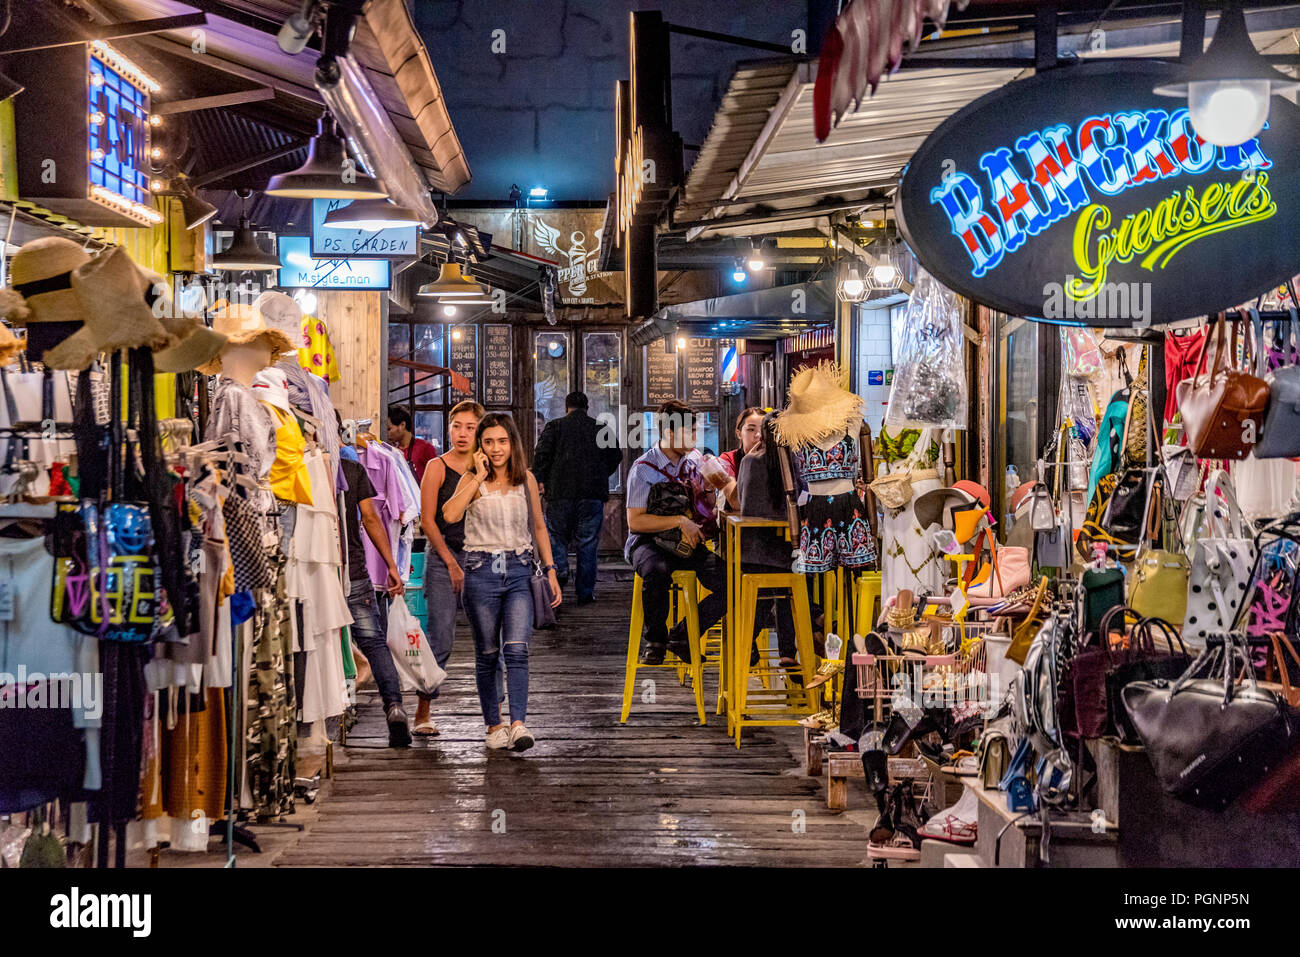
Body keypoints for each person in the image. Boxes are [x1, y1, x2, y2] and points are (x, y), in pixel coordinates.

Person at [443, 412, 562, 752]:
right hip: (480, 573)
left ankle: (519, 725)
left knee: (517, 649)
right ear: (481, 446)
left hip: (519, 570)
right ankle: (493, 724)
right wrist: (477, 476)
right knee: (487, 652)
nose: (496, 449)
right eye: (489, 442)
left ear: (513, 444)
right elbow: (449, 515)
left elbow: (539, 527)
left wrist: (551, 569)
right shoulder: (472, 480)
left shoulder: (524, 479)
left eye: (503, 441)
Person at [416, 399, 500, 736]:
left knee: (491, 639)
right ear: (448, 428)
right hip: (444, 555)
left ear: (479, 431)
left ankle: (495, 718)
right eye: (457, 426)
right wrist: (450, 562)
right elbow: (427, 521)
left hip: (482, 557)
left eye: (470, 427)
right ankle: (423, 710)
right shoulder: (437, 466)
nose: (462, 434)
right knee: (440, 638)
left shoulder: (489, 468)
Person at [625, 398, 728, 665]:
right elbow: (635, 522)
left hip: (687, 542)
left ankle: (681, 635)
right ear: (669, 433)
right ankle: (655, 640)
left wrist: (713, 487)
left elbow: (706, 504)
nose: (696, 437)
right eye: (690, 431)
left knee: (730, 583)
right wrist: (679, 521)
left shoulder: (694, 460)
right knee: (657, 570)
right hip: (648, 542)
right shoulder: (643, 469)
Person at [339, 453, 411, 747]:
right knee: (373, 641)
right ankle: (394, 706)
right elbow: (370, 518)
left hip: (318, 571)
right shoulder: (351, 469)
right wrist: (391, 565)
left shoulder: (297, 467)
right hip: (354, 570)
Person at [531, 391, 623, 605]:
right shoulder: (601, 428)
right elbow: (616, 456)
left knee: (557, 538)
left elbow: (541, 455)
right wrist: (601, 474)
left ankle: (560, 576)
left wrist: (541, 479)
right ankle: (585, 592)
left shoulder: (554, 427)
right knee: (588, 544)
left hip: (559, 493)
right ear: (587, 407)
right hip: (591, 495)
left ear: (567, 407)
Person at [736, 413, 804, 670]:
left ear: (763, 434)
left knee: (765, 588)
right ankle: (789, 649)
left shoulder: (752, 461)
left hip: (754, 553)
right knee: (787, 589)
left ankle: (745, 642)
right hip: (789, 553)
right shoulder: (795, 462)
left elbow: (744, 505)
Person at [388, 404, 438, 483]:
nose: (387, 433)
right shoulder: (393, 451)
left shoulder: (425, 448)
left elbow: (436, 479)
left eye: (389, 429)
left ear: (402, 425)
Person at [719, 406, 765, 477]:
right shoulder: (728, 460)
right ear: (739, 434)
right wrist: (749, 462)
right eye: (751, 429)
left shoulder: (776, 459)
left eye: (763, 429)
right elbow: (729, 488)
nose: (759, 435)